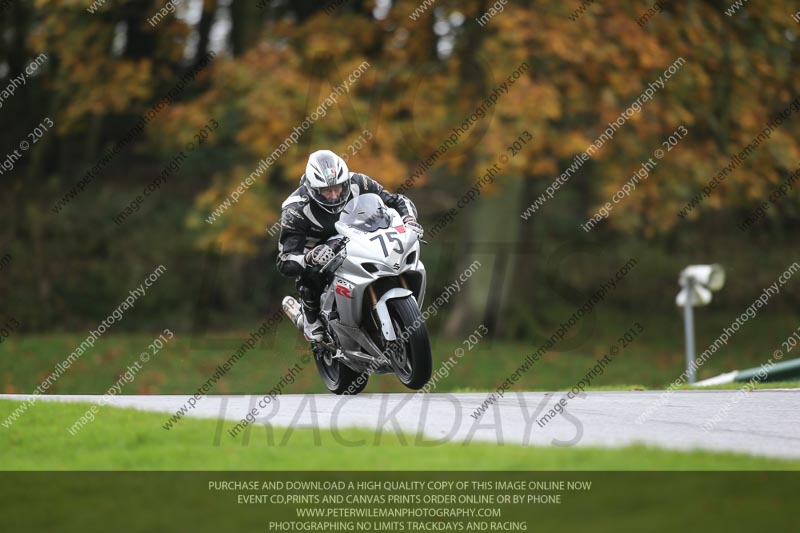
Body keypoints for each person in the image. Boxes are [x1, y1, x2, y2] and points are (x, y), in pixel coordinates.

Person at [276, 149, 424, 341]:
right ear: (312, 189)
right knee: (310, 270)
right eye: (326, 191)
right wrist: (309, 257)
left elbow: (395, 200)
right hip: (318, 246)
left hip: (356, 234)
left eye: (338, 187)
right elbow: (285, 259)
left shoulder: (359, 182)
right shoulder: (295, 209)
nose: (334, 195)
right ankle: (310, 317)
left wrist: (408, 220)